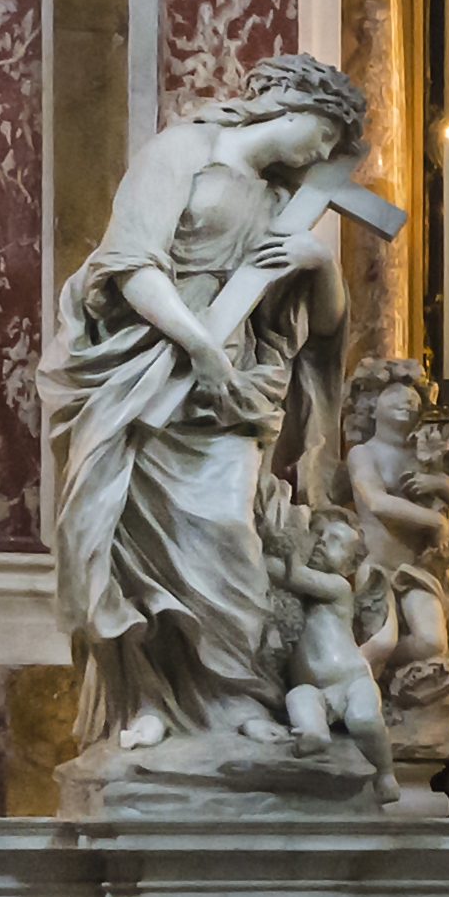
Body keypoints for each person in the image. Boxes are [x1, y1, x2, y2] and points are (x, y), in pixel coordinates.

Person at [44, 52, 380, 768]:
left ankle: (234, 698)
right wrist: (198, 345)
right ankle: (147, 703)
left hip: (232, 391)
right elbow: (130, 263)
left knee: (227, 533)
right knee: (126, 542)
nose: (324, 156)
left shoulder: (286, 201)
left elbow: (320, 329)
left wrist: (320, 268)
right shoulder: (180, 153)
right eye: (322, 136)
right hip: (148, 369)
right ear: (286, 106)